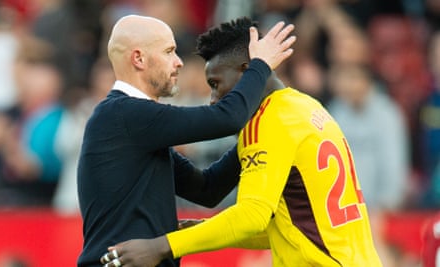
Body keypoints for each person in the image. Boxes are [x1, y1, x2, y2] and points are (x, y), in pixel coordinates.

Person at [100, 17, 382, 267]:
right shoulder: (306, 107)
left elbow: (251, 216)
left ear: (248, 71)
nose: (213, 98)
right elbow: (288, 226)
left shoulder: (267, 120)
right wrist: (200, 230)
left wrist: (161, 246)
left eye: (215, 84)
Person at [77, 14, 295, 267]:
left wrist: (263, 137)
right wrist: (260, 65)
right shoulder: (124, 114)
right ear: (139, 58)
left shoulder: (135, 128)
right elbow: (227, 118)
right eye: (169, 51)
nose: (179, 62)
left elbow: (207, 189)